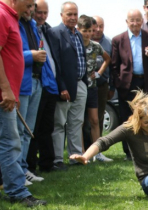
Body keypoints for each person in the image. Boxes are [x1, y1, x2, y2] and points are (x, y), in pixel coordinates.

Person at [0, 0, 46, 206]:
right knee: (10, 142)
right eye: (29, 4)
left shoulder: (4, 14)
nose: (30, 9)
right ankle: (17, 192)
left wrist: (10, 90)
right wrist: (6, 90)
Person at [111, 9, 148, 161]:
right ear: (127, 22)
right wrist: (119, 82)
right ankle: (129, 152)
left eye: (137, 20)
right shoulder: (118, 39)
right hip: (127, 84)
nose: (134, 23)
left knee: (147, 116)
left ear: (142, 21)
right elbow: (114, 65)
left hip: (146, 83)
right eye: (131, 20)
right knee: (128, 118)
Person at [47, 1, 88, 169]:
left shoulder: (78, 34)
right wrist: (61, 86)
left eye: (75, 14)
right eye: (69, 14)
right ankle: (57, 159)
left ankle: (75, 157)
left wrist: (84, 82)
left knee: (76, 122)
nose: (72, 18)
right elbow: (55, 62)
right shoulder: (55, 33)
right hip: (64, 87)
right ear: (61, 15)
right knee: (59, 123)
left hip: (80, 84)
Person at [26, 0, 59, 173]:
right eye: (39, 12)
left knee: (47, 127)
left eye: (45, 13)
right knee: (33, 128)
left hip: (50, 85)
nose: (42, 16)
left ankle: (47, 163)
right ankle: (30, 166)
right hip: (37, 82)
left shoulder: (46, 30)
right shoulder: (28, 28)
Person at [77, 15, 111, 162]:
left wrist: (98, 73)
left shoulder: (95, 46)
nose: (88, 33)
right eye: (85, 30)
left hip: (92, 88)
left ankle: (98, 153)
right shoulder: (76, 44)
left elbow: (107, 58)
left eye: (90, 30)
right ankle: (83, 153)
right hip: (78, 86)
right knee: (79, 122)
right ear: (78, 30)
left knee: (95, 120)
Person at [18, 4, 45, 184]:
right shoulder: (14, 23)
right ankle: (16, 172)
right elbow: (11, 54)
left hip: (36, 80)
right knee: (20, 130)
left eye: (31, 7)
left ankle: (23, 168)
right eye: (27, 7)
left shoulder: (32, 25)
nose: (30, 11)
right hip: (22, 83)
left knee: (28, 131)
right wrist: (31, 56)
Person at [92, 15, 114, 140]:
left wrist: (112, 87)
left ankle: (97, 148)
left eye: (101, 26)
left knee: (99, 117)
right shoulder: (83, 40)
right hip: (86, 85)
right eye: (96, 26)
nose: (99, 29)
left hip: (102, 85)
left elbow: (113, 66)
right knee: (86, 118)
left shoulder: (109, 43)